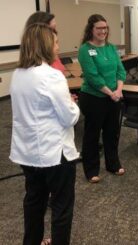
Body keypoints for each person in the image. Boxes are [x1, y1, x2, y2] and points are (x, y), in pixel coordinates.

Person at [10, 23, 80, 245]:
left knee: (34, 203)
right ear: (45, 44)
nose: (59, 47)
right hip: (55, 154)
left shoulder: (18, 74)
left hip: (27, 153)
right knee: (61, 208)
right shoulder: (52, 75)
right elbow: (69, 118)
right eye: (56, 42)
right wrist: (71, 103)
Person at [78, 14, 126, 183]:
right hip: (94, 97)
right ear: (91, 29)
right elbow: (93, 76)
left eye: (105, 28)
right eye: (99, 28)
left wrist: (119, 90)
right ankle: (91, 170)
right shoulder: (85, 49)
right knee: (92, 134)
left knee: (112, 132)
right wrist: (111, 93)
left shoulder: (111, 47)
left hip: (114, 97)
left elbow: (121, 70)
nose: (103, 31)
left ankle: (113, 164)